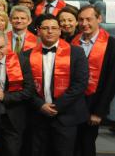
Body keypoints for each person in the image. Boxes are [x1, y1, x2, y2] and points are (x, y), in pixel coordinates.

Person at [24, 14, 89, 156]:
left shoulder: (77, 52)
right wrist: (40, 105)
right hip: (37, 115)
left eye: (54, 28)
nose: (50, 31)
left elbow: (80, 84)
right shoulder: (26, 55)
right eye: (45, 28)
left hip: (67, 116)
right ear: (38, 31)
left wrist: (56, 107)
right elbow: (25, 86)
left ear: (60, 31)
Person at [72, 5, 115, 156]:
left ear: (99, 19)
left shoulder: (113, 45)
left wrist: (99, 112)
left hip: (92, 106)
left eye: (89, 19)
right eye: (81, 19)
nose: (84, 23)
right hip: (70, 105)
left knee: (86, 146)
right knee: (69, 145)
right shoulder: (73, 42)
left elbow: (112, 82)